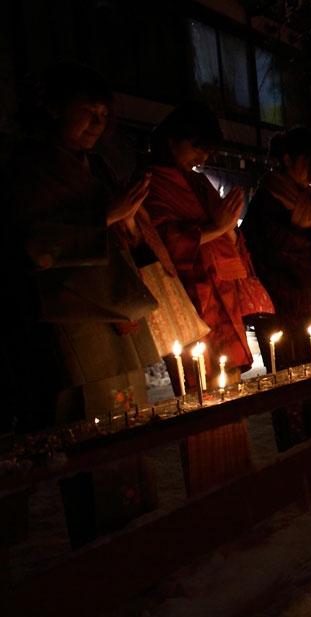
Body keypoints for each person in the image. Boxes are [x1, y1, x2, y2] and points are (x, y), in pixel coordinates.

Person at [8, 62, 161, 547]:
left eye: (103, 115)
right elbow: (30, 243)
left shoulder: (97, 167)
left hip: (115, 311)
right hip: (73, 318)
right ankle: (103, 550)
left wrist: (127, 224)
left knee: (128, 429)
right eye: (86, 112)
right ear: (51, 109)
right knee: (92, 439)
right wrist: (104, 216)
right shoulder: (28, 166)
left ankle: (138, 537)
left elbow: (120, 227)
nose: (96, 123)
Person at [142, 102, 255, 494]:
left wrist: (226, 231)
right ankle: (211, 490)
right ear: (171, 139)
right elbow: (160, 242)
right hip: (191, 302)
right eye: (196, 148)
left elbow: (224, 231)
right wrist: (216, 227)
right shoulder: (151, 181)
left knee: (230, 390)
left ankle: (239, 479)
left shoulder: (198, 181)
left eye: (206, 152)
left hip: (222, 296)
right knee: (200, 396)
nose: (201, 158)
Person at [240, 128, 311, 449]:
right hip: (278, 307)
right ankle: (295, 455)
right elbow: (267, 249)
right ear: (287, 159)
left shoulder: (306, 198)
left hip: (307, 301)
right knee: (287, 382)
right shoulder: (267, 197)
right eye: (308, 166)